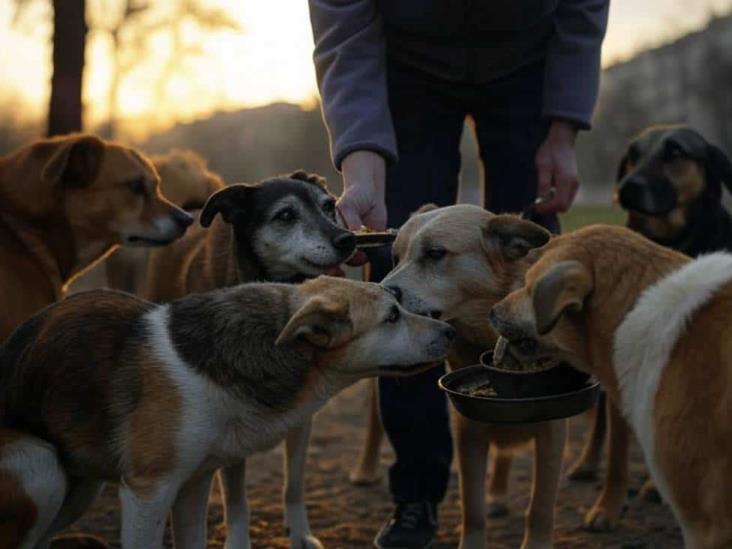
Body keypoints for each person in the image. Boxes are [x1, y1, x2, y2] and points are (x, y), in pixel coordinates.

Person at [308, 1, 609, 547]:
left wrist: (562, 131)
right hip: (406, 66)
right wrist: (362, 169)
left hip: (527, 60)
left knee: (538, 271)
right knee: (400, 253)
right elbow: (344, 36)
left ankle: (538, 506)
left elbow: (583, 8)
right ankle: (417, 495)